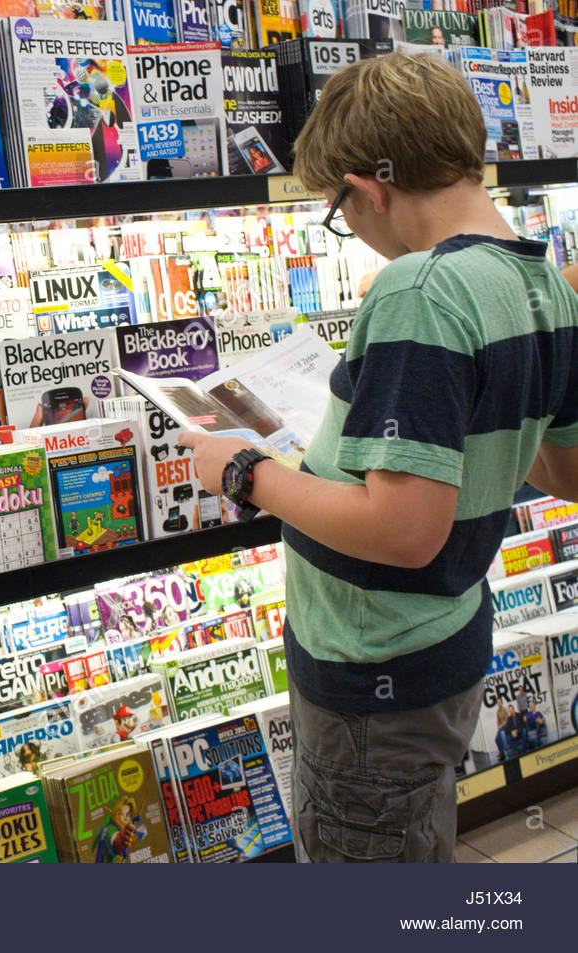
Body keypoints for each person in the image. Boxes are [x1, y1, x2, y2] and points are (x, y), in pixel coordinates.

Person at [178, 53, 578, 862]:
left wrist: (243, 470)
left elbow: (402, 532)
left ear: (369, 187)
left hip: (373, 670)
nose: (351, 230)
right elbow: (566, 471)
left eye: (338, 209)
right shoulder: (545, 281)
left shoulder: (419, 291)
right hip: (445, 643)